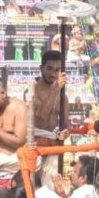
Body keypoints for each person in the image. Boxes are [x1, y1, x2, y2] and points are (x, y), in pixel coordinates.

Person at [32, 51, 69, 188]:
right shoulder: (32, 91)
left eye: (57, 70)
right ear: (42, 68)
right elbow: (41, 118)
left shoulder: (62, 95)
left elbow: (66, 122)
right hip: (34, 145)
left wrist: (66, 132)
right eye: (49, 69)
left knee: (51, 189)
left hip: (53, 145)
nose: (53, 74)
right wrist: (56, 89)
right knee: (33, 189)